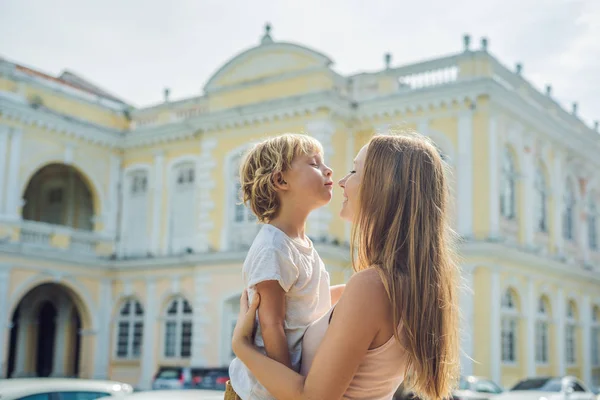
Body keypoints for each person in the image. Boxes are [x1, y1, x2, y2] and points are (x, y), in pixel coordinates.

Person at [232, 132, 461, 400]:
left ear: (383, 187)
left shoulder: (371, 287)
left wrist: (241, 346)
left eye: (354, 171)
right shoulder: (406, 285)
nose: (340, 180)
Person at [226, 133, 345, 400]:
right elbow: (272, 325)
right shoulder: (273, 246)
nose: (328, 170)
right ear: (280, 180)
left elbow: (310, 300)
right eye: (314, 164)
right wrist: (286, 385)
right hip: (263, 393)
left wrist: (356, 291)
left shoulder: (300, 243)